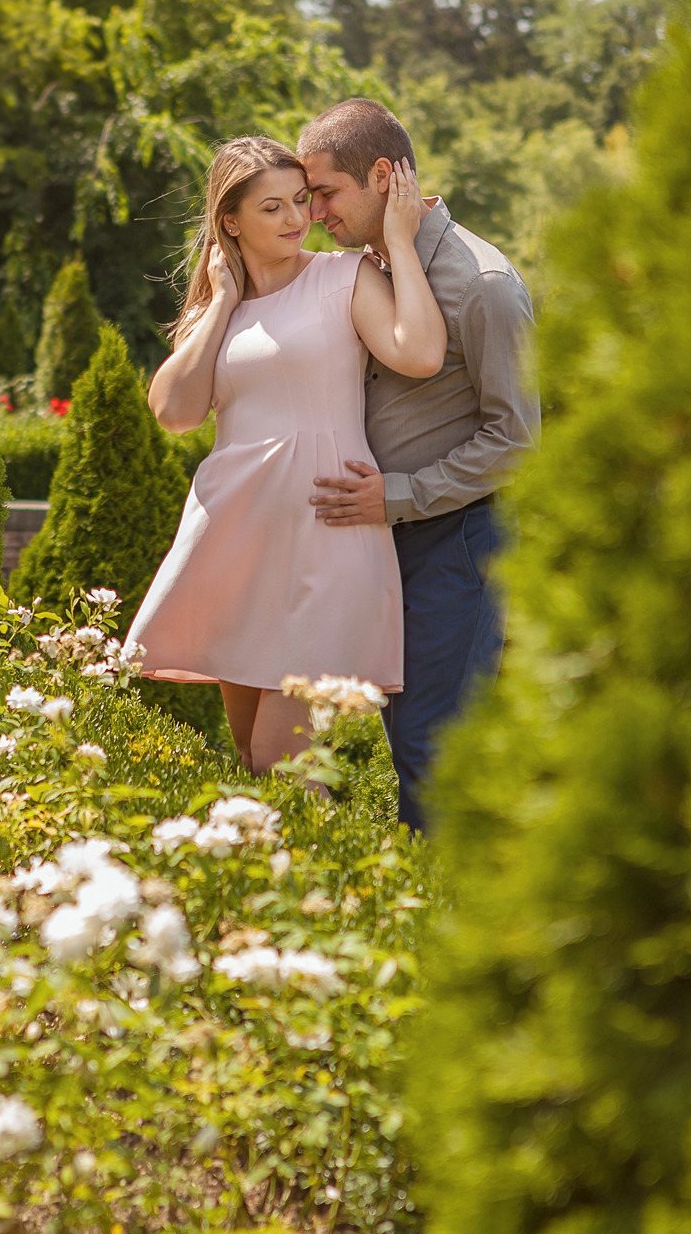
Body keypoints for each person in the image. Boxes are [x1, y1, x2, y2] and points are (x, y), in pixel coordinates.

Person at [124, 136, 447, 775]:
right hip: (235, 544)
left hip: (328, 537)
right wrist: (219, 302)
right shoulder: (222, 310)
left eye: (301, 200)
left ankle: (339, 877)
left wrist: (401, 245)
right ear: (230, 221)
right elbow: (175, 412)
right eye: (271, 208)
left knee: (283, 759)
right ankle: (282, 877)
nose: (297, 219)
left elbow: (420, 353)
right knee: (252, 759)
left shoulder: (344, 275)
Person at [298, 98, 539, 833]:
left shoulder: (484, 284)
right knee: (341, 745)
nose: (315, 215)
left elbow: (517, 438)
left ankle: (447, 929)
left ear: (380, 176)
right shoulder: (362, 271)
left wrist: (397, 496)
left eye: (326, 193)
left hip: (456, 542)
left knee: (436, 747)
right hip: (371, 542)